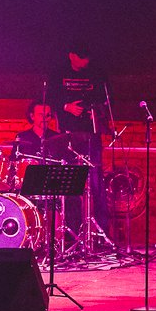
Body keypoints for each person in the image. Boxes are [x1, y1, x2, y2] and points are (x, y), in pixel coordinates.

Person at [44, 42, 110, 226]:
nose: (85, 61)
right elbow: (50, 99)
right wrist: (66, 107)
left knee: (96, 181)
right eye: (81, 58)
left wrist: (94, 110)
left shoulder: (96, 74)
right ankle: (72, 228)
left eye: (86, 58)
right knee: (71, 182)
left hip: (91, 134)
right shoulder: (58, 74)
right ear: (71, 56)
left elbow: (105, 99)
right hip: (68, 135)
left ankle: (101, 228)